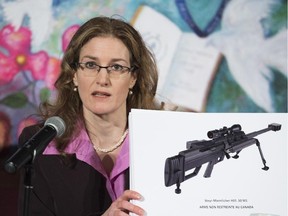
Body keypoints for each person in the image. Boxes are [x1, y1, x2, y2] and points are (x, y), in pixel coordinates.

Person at [18, 16, 159, 216]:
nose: (103, 79)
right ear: (74, 73)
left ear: (133, 78)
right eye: (91, 65)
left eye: (116, 67)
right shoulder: (41, 146)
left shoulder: (160, 142)